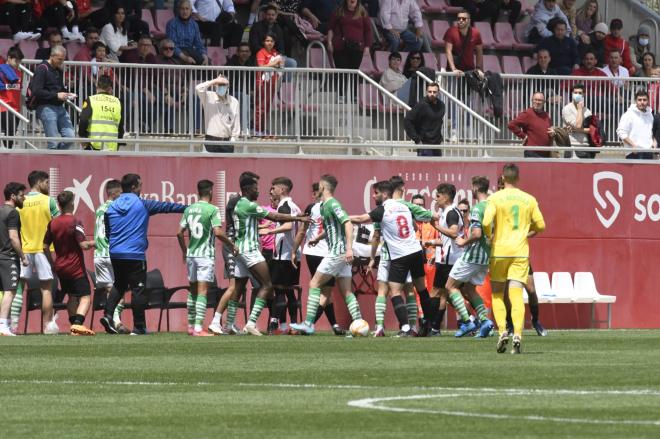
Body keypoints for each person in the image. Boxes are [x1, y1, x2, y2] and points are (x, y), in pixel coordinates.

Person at [100, 173, 187, 335]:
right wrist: (189, 208)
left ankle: (108, 315)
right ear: (133, 187)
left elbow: (108, 233)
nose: (142, 189)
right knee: (138, 289)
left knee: (119, 284)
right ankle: (139, 327)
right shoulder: (142, 204)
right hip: (134, 255)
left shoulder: (111, 207)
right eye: (140, 186)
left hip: (116, 254)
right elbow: (167, 207)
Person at [351, 180, 436, 337]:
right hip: (416, 251)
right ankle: (429, 325)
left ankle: (405, 328)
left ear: (384, 194)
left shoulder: (382, 210)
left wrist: (342, 217)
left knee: (395, 292)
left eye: (376, 193)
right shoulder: (404, 206)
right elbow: (415, 226)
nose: (373, 195)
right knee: (421, 290)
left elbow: (361, 219)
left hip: (400, 255)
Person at [231, 174, 309, 336]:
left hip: (247, 251)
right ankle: (255, 324)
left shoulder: (240, 204)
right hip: (255, 251)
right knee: (271, 287)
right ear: (247, 189)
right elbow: (278, 218)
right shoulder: (251, 205)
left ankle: (229, 323)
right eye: (256, 188)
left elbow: (275, 220)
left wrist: (267, 230)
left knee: (244, 287)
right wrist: (296, 220)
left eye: (272, 188)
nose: (260, 191)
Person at [482, 163, 545, 354]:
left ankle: (502, 331)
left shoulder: (495, 198)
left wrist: (490, 236)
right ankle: (518, 334)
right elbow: (541, 225)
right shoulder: (529, 199)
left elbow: (485, 222)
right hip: (520, 252)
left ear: (502, 178)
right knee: (516, 295)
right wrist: (527, 232)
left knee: (497, 295)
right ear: (518, 178)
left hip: (500, 251)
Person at [290, 174, 363, 335]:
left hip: (338, 252)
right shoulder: (324, 206)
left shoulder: (332, 204)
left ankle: (308, 323)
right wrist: (318, 237)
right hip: (341, 253)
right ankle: (360, 324)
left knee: (314, 283)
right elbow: (333, 227)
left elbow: (348, 224)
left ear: (322, 188)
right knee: (346, 291)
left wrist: (349, 248)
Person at [177, 179, 236, 337]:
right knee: (203, 291)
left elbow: (179, 232)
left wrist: (184, 250)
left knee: (193, 291)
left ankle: (190, 327)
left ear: (198, 191)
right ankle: (198, 328)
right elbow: (217, 232)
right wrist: (231, 244)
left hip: (191, 255)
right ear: (210, 191)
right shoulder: (212, 209)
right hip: (204, 255)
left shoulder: (189, 209)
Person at [423, 183, 475, 336]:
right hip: (450, 258)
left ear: (445, 197)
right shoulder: (449, 212)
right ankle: (436, 328)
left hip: (448, 260)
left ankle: (430, 326)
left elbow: (453, 233)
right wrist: (432, 243)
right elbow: (450, 239)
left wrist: (436, 226)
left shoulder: (451, 212)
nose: (435, 200)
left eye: (438, 197)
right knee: (448, 295)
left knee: (435, 293)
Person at [446, 176, 494, 338]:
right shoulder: (494, 206)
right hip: (486, 256)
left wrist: (462, 241)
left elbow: (476, 233)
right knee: (469, 288)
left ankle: (467, 322)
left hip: (473, 254)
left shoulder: (478, 208)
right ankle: (485, 321)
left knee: (450, 286)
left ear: (475, 188)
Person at [43, 191, 96, 336]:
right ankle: (78, 324)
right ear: (72, 203)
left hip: (60, 267)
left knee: (72, 297)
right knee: (85, 297)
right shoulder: (75, 222)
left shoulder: (52, 223)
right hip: (75, 268)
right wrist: (94, 242)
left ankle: (74, 326)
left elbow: (45, 246)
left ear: (59, 205)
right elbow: (83, 245)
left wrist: (52, 263)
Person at [18, 170, 59, 334]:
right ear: (40, 182)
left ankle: (10, 325)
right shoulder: (49, 201)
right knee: (46, 289)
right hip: (44, 250)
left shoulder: (21, 201)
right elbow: (57, 226)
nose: (48, 186)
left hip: (24, 250)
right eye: (47, 183)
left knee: (17, 288)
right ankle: (48, 326)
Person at [261, 177, 302, 334]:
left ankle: (275, 325)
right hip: (293, 254)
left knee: (278, 290)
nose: (272, 190)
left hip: (283, 255)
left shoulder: (284, 206)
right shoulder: (295, 206)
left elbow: (288, 225)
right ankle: (291, 326)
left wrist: (270, 231)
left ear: (283, 190)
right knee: (289, 291)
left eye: (275, 188)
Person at [92, 179, 128, 333]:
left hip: (99, 254)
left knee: (109, 291)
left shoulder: (100, 209)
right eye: (120, 193)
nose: (122, 196)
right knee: (119, 290)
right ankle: (117, 322)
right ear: (114, 194)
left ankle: (113, 322)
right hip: (111, 253)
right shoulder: (115, 207)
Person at [327, 0, 373, 102]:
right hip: (340, 47)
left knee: (354, 71)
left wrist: (367, 46)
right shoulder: (339, 11)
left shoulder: (363, 12)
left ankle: (354, 96)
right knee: (341, 71)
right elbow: (331, 28)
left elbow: (368, 30)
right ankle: (341, 95)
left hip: (357, 47)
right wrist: (329, 42)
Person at [0, 182, 27, 336]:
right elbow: (13, 237)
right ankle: (3, 326)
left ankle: (5, 325)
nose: (24, 198)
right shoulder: (12, 213)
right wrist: (23, 257)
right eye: (22, 195)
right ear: (13, 196)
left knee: (4, 292)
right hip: (8, 257)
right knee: (10, 291)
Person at [78, 74, 123, 151]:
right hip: (112, 146)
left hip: (93, 144)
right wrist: (119, 142)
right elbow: (121, 125)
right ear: (110, 88)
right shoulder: (118, 102)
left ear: (97, 87)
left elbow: (83, 120)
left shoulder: (91, 100)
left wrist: (82, 137)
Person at [195, 74, 240, 152]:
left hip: (226, 142)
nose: (221, 86)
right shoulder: (208, 97)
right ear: (215, 85)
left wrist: (233, 141)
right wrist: (215, 80)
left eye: (223, 84)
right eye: (219, 84)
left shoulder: (234, 101)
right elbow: (198, 88)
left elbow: (236, 124)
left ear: (228, 86)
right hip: (210, 141)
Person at [508, 91, 556, 158]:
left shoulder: (546, 115)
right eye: (535, 100)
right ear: (532, 101)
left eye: (540, 100)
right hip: (532, 152)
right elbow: (511, 125)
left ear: (544, 102)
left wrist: (552, 133)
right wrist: (524, 136)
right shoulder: (527, 114)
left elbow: (549, 130)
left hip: (546, 152)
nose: (537, 102)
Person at [404, 82, 445, 157]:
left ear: (438, 93)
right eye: (430, 92)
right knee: (425, 168)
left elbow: (438, 122)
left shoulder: (441, 105)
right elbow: (408, 121)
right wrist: (417, 139)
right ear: (426, 92)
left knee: (437, 168)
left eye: (434, 92)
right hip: (424, 144)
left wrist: (440, 138)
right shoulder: (421, 105)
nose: (432, 94)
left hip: (437, 144)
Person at [254, 33, 284, 137]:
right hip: (262, 84)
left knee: (266, 108)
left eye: (271, 41)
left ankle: (262, 130)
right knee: (260, 107)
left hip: (272, 83)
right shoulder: (261, 53)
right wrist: (275, 64)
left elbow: (280, 64)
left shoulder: (275, 53)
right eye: (267, 41)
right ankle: (257, 130)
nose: (269, 43)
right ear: (263, 42)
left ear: (274, 43)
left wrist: (278, 63)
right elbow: (261, 67)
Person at [617, 89, 656, 160]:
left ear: (648, 101)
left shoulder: (650, 115)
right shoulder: (628, 114)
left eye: (644, 100)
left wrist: (653, 143)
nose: (642, 102)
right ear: (635, 101)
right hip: (634, 153)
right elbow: (621, 132)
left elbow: (651, 132)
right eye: (639, 100)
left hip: (648, 152)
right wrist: (633, 145)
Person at [167, 0, 209, 65]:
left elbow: (199, 43)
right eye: (182, 9)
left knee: (208, 63)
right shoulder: (172, 23)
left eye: (187, 9)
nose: (185, 11)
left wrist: (205, 56)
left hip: (190, 50)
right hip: (178, 52)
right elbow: (172, 45)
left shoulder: (194, 25)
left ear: (191, 11)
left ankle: (219, 75)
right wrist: (184, 57)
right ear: (178, 10)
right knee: (194, 62)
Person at [412, 193, 437, 294]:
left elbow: (440, 241)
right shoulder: (408, 222)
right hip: (414, 261)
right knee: (415, 291)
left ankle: (429, 310)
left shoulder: (431, 221)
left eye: (421, 205)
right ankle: (418, 310)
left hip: (430, 261)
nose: (418, 207)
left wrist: (435, 254)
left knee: (430, 290)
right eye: (416, 205)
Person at [443, 9, 483, 74]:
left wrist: (478, 68)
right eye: (459, 18)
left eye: (464, 19)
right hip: (454, 71)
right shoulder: (450, 31)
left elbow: (479, 51)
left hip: (470, 70)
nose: (460, 20)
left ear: (469, 20)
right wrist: (453, 69)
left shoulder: (476, 33)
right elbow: (448, 51)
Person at [0, 47, 24, 149]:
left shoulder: (19, 73)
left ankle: (7, 154)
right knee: (8, 134)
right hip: (5, 107)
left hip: (16, 109)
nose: (18, 63)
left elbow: (19, 91)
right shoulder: (1, 70)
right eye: (16, 60)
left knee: (11, 135)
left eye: (19, 61)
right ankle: (7, 155)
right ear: (9, 58)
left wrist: (20, 108)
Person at [562, 83, 594, 158]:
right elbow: (578, 125)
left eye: (580, 93)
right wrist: (580, 109)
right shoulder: (567, 109)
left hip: (586, 146)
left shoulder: (587, 111)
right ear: (572, 94)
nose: (577, 94)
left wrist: (575, 129)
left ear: (583, 95)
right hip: (572, 146)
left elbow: (592, 129)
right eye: (575, 93)